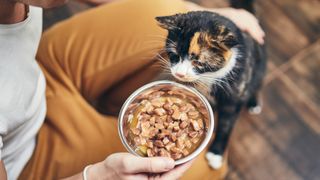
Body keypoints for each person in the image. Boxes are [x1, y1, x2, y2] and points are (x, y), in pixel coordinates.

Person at [0, 0, 265, 179]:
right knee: (205, 168)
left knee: (165, 6)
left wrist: (203, 20)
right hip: (26, 160)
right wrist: (98, 176)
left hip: (37, 69)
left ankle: (109, 100)